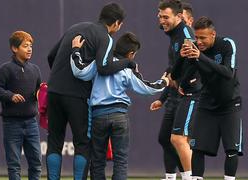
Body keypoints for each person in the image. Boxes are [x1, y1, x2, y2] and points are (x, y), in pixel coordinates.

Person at [46, 3, 135, 180]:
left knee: (55, 141)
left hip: (54, 91)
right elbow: (104, 67)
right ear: (117, 23)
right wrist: (127, 63)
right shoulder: (105, 37)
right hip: (77, 96)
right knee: (82, 143)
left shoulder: (75, 28)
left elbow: (50, 56)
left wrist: (59, 80)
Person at [71, 32, 169, 180]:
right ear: (131, 54)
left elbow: (80, 71)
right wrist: (164, 82)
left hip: (99, 115)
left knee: (97, 160)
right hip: (119, 116)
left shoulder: (99, 63)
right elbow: (148, 88)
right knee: (120, 160)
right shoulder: (127, 69)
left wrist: (76, 50)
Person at [180, 16, 243, 180]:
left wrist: (200, 56)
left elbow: (228, 73)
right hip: (206, 104)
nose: (199, 41)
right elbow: (183, 72)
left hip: (230, 105)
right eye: (197, 37)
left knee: (231, 150)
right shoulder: (195, 49)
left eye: (203, 38)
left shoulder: (227, 44)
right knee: (198, 148)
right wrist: (183, 61)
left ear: (213, 34)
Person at [150, 0, 202, 179]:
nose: (161, 20)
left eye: (165, 17)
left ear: (179, 17)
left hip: (189, 93)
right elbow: (174, 68)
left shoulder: (185, 33)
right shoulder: (173, 33)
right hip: (175, 94)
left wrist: (183, 82)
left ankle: (190, 177)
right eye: (159, 16)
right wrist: (163, 96)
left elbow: (194, 61)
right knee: (166, 138)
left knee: (178, 139)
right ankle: (179, 176)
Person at [0, 31, 42, 180]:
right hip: (12, 123)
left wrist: (42, 92)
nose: (29, 49)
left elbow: (39, 91)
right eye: (25, 46)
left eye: (31, 46)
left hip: (31, 123)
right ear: (14, 48)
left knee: (36, 163)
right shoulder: (5, 69)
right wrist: (10, 96)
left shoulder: (35, 69)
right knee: (14, 165)